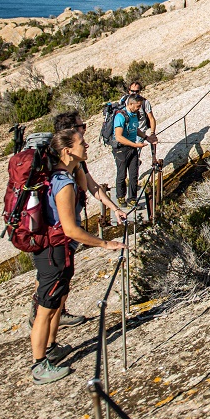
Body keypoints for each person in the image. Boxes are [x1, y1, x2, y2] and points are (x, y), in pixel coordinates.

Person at [29, 128, 124, 385]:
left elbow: (91, 188)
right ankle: (39, 366)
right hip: (54, 252)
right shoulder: (64, 183)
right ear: (67, 150)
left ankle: (51, 348)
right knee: (45, 310)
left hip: (56, 250)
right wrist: (105, 244)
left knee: (56, 303)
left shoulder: (66, 174)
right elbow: (71, 229)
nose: (87, 145)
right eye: (82, 143)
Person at [113, 94, 156, 204]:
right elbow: (118, 136)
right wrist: (135, 145)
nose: (139, 108)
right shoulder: (120, 116)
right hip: (121, 149)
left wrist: (146, 137)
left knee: (134, 174)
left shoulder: (134, 115)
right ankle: (121, 197)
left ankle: (132, 198)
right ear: (130, 104)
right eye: (137, 106)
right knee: (122, 174)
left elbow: (135, 129)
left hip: (132, 148)